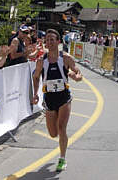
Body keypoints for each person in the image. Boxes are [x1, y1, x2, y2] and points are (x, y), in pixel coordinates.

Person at [32, 29, 82, 172]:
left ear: (58, 42)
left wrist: (76, 76)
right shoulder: (42, 61)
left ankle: (62, 158)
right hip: (49, 98)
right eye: (47, 39)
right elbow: (36, 77)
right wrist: (35, 94)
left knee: (61, 128)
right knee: (53, 133)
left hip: (63, 97)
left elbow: (78, 73)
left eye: (52, 39)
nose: (49, 42)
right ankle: (61, 142)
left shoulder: (66, 58)